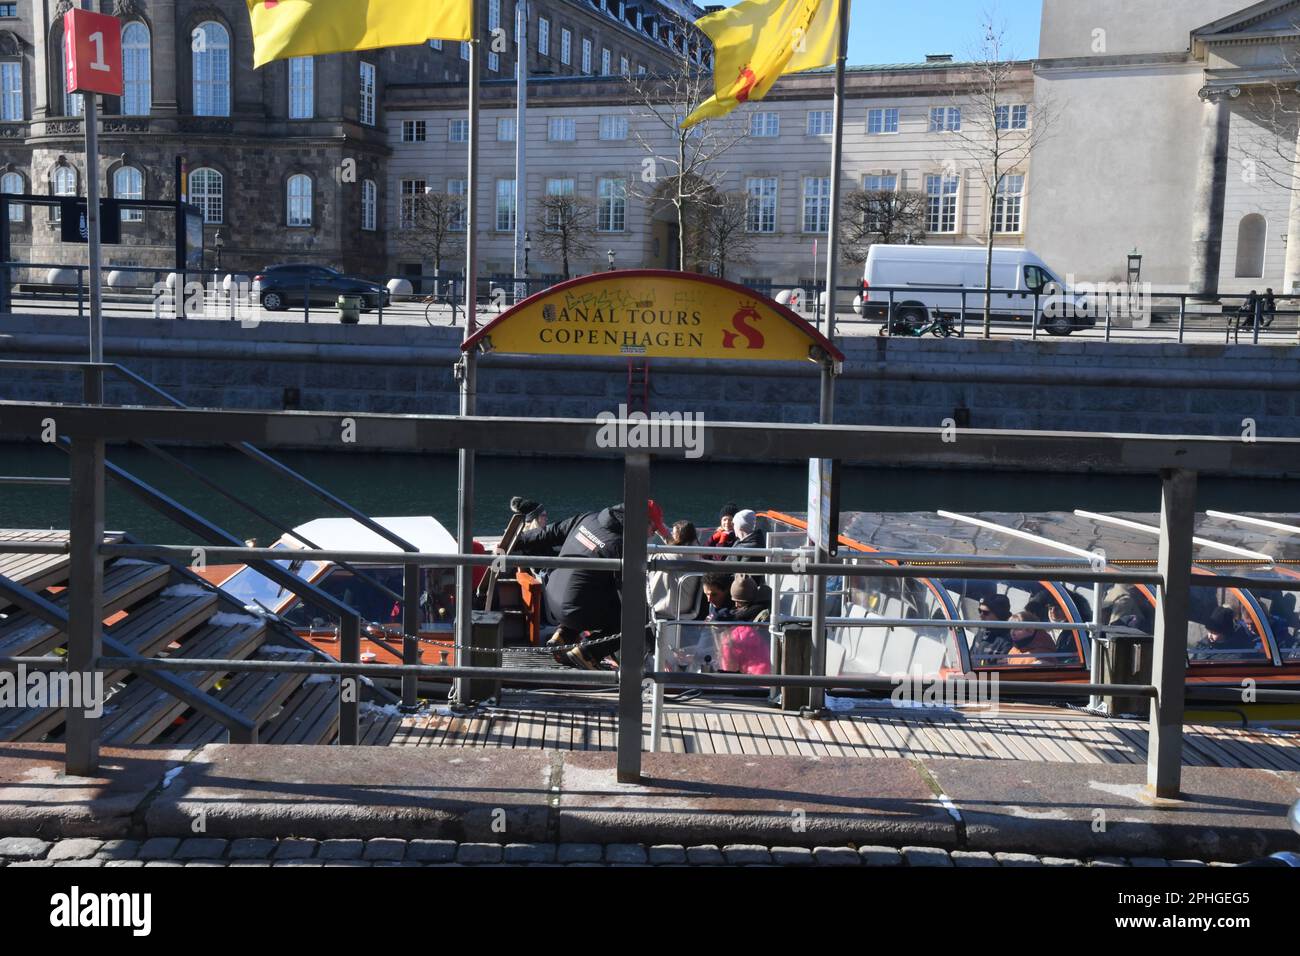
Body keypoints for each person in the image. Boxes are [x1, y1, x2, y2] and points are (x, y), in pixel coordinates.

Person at [512, 503, 628, 669]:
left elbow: (551, 532)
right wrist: (651, 636)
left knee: (585, 588)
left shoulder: (587, 518)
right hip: (574, 609)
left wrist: (518, 541)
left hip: (551, 597)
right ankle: (589, 652)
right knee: (631, 620)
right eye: (652, 528)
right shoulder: (619, 545)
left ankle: (564, 635)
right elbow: (625, 594)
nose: (652, 533)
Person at [1192, 605, 1258, 662]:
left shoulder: (1233, 655)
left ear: (1225, 633)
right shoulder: (1204, 644)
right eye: (1209, 631)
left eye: (1214, 633)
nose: (1210, 636)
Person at [970, 593, 1012, 666]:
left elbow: (998, 672)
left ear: (999, 614)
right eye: (979, 611)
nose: (981, 616)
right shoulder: (982, 629)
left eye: (985, 613)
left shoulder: (1007, 640)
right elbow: (970, 655)